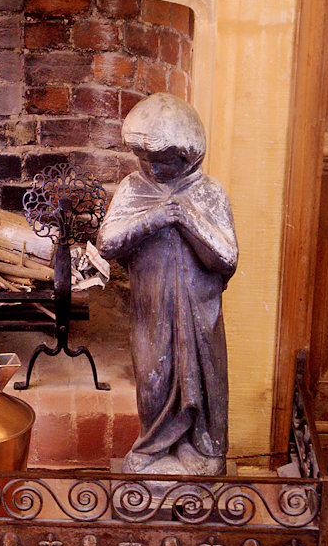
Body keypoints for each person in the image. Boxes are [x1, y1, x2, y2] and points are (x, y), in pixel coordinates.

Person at [97, 93, 238, 476]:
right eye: (143, 158)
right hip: (151, 309)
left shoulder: (210, 192)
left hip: (199, 310)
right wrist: (155, 217)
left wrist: (187, 219)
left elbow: (227, 258)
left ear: (188, 156)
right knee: (153, 379)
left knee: (204, 379)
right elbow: (108, 243)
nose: (151, 167)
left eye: (161, 159)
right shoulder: (133, 188)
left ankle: (204, 449)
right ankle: (154, 445)